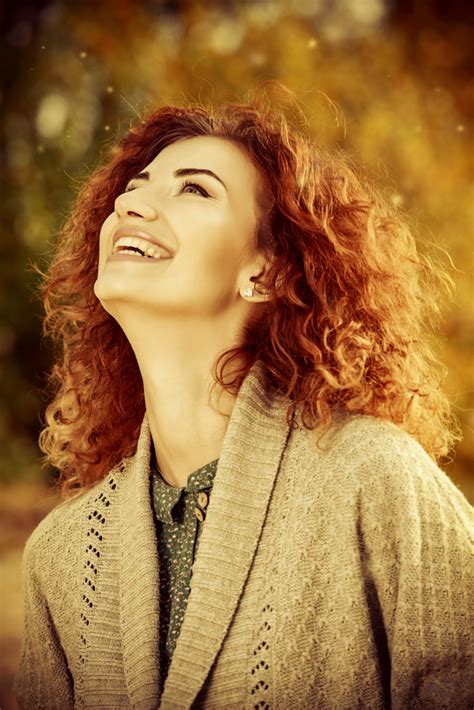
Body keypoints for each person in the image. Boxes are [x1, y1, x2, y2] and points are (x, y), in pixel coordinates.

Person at [14, 88, 473, 709]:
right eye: (137, 186)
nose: (133, 204)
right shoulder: (59, 558)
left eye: (194, 189)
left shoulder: (375, 478)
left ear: (267, 272)